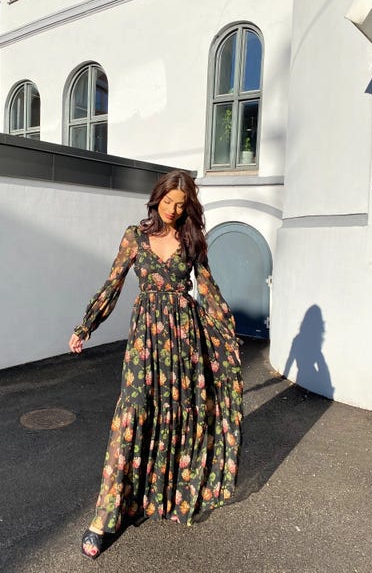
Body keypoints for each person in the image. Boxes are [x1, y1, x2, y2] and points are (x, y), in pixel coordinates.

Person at [68, 170, 243, 559]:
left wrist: (228, 335)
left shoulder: (192, 241)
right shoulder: (135, 236)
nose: (173, 210)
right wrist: (86, 325)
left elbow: (209, 290)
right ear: (156, 198)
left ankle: (162, 497)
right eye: (168, 202)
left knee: (177, 415)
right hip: (145, 342)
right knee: (132, 414)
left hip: (184, 341)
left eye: (181, 205)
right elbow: (113, 284)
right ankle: (104, 518)